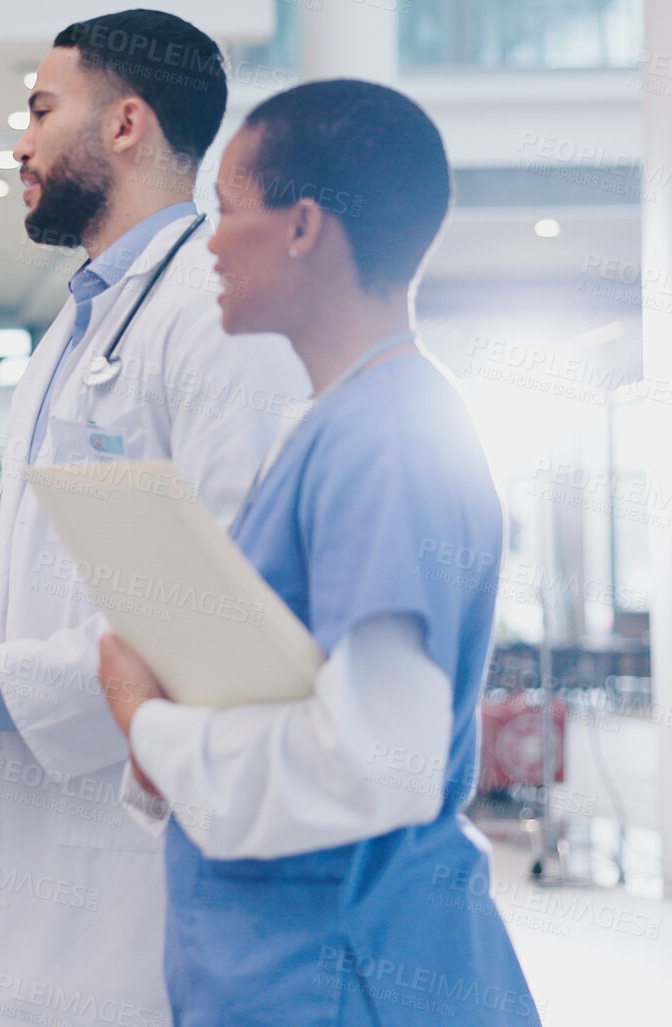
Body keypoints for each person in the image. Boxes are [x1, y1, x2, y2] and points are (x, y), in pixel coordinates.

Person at [0, 10, 309, 1026]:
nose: (19, 143)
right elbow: (45, 591)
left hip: (139, 864)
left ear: (126, 124)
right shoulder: (73, 333)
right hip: (37, 829)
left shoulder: (220, 320)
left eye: (40, 110)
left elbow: (224, 607)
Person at [96, 80, 541, 1026]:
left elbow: (372, 764)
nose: (207, 241)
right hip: (303, 971)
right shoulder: (339, 424)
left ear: (301, 227)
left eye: (225, 210)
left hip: (353, 975)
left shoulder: (388, 437)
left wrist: (144, 718)